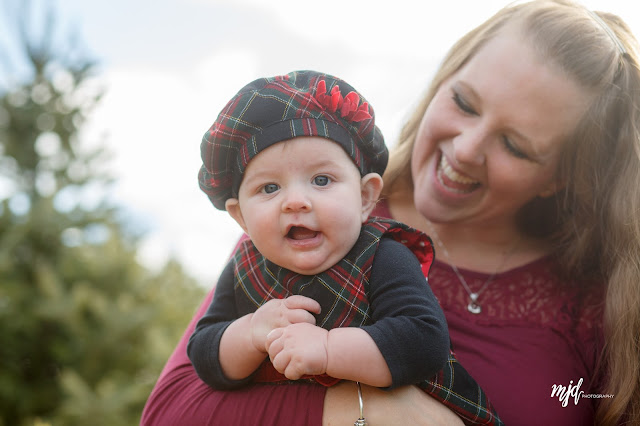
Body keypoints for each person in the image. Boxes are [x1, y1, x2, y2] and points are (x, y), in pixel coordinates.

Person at [141, 1, 640, 425]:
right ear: (443, 79)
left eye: (514, 144)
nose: (466, 149)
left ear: (561, 177)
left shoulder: (601, 298)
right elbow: (169, 412)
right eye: (464, 102)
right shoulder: (296, 231)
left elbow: (419, 339)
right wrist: (370, 411)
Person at [187, 70, 501, 425]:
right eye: (269, 188)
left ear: (366, 197)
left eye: (322, 180)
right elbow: (203, 353)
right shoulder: (244, 269)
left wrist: (327, 349)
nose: (295, 201)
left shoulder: (381, 255)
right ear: (240, 215)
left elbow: (423, 341)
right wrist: (250, 333)